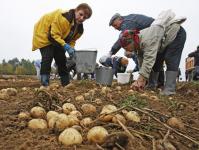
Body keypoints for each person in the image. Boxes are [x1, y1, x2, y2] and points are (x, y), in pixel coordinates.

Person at [118, 10, 186, 95]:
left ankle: (169, 89)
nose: (127, 50)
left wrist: (140, 79)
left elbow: (149, 59)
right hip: (162, 41)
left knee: (170, 58)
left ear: (131, 42)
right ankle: (151, 85)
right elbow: (141, 62)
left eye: (126, 48)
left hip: (176, 34)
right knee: (157, 62)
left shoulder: (147, 40)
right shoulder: (137, 45)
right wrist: (142, 79)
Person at [32, 3, 92, 86]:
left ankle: (66, 84)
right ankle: (44, 84)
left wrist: (71, 48)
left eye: (85, 18)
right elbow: (53, 35)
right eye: (80, 14)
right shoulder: (64, 17)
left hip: (57, 38)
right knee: (48, 56)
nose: (82, 18)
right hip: (44, 33)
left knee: (61, 59)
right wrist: (65, 46)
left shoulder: (79, 30)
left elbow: (72, 40)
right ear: (76, 10)